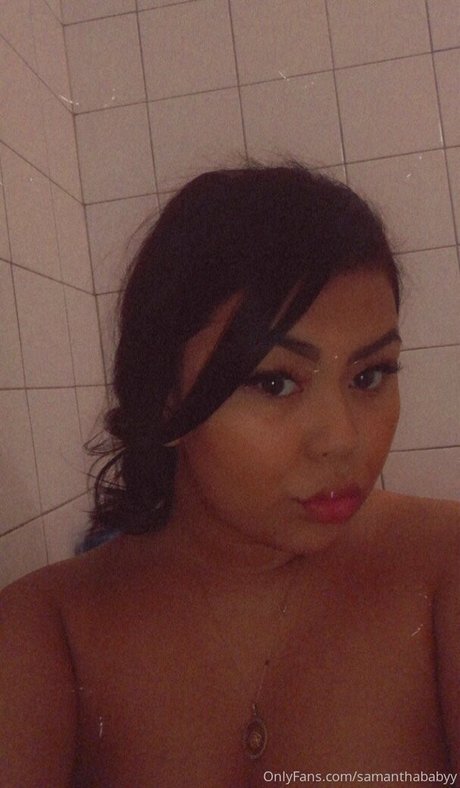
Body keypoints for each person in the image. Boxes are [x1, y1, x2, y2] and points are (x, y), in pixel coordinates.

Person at [1, 162, 459, 787]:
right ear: (165, 396)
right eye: (274, 383)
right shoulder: (46, 631)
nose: (342, 440)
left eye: (369, 375)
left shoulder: (443, 568)